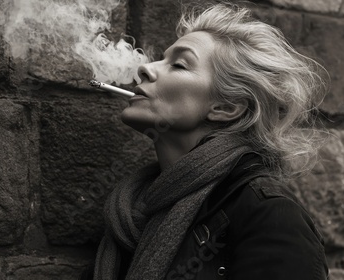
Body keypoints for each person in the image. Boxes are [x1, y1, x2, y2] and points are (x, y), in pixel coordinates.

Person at [83, 2, 329, 280]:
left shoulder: (271, 216)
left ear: (226, 107)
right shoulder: (130, 214)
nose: (146, 69)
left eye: (178, 64)